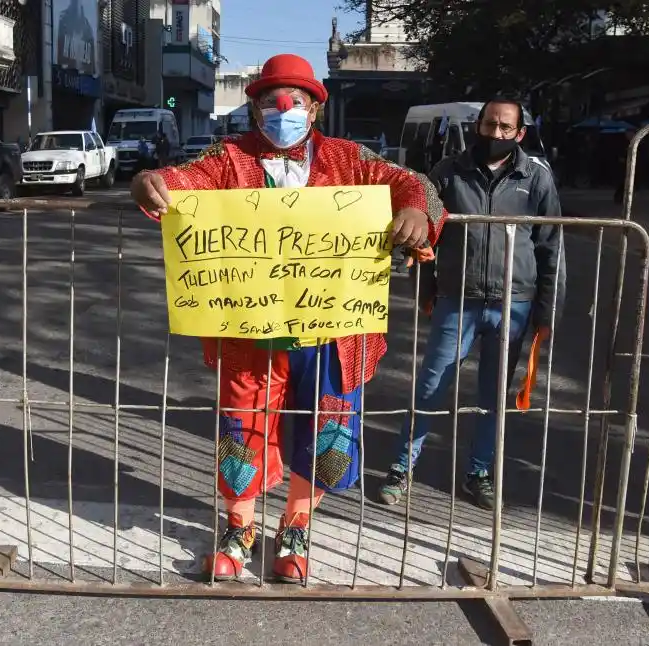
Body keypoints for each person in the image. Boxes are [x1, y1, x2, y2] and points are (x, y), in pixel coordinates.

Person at [130, 53, 447, 582]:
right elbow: (182, 180)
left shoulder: (350, 159)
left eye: (295, 101)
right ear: (254, 109)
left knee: (326, 427)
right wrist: (150, 182)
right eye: (271, 101)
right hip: (252, 332)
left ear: (315, 110)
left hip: (331, 332)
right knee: (242, 425)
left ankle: (297, 524)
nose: (283, 110)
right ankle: (239, 526)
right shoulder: (227, 157)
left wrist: (416, 210)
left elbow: (416, 184)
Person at [377, 96, 566, 510]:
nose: (495, 133)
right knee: (430, 387)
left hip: (514, 303)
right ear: (477, 126)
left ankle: (479, 473)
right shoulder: (448, 172)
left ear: (520, 133)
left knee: (493, 397)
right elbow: (425, 232)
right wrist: (424, 288)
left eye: (505, 128)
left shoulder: (535, 177)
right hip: (457, 300)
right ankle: (401, 467)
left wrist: (548, 310)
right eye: (489, 125)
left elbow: (551, 246)